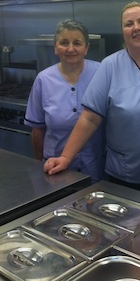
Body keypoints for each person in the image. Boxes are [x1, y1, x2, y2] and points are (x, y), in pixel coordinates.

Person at [43, 2, 140, 197]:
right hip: (125, 174)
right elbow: (89, 118)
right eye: (128, 24)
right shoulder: (110, 66)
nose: (136, 28)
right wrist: (66, 157)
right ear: (123, 31)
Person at [24, 19, 105, 183]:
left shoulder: (101, 73)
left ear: (86, 48)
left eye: (77, 43)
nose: (70, 49)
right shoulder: (43, 80)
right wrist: (40, 163)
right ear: (55, 47)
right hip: (55, 167)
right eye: (64, 42)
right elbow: (37, 129)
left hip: (96, 166)